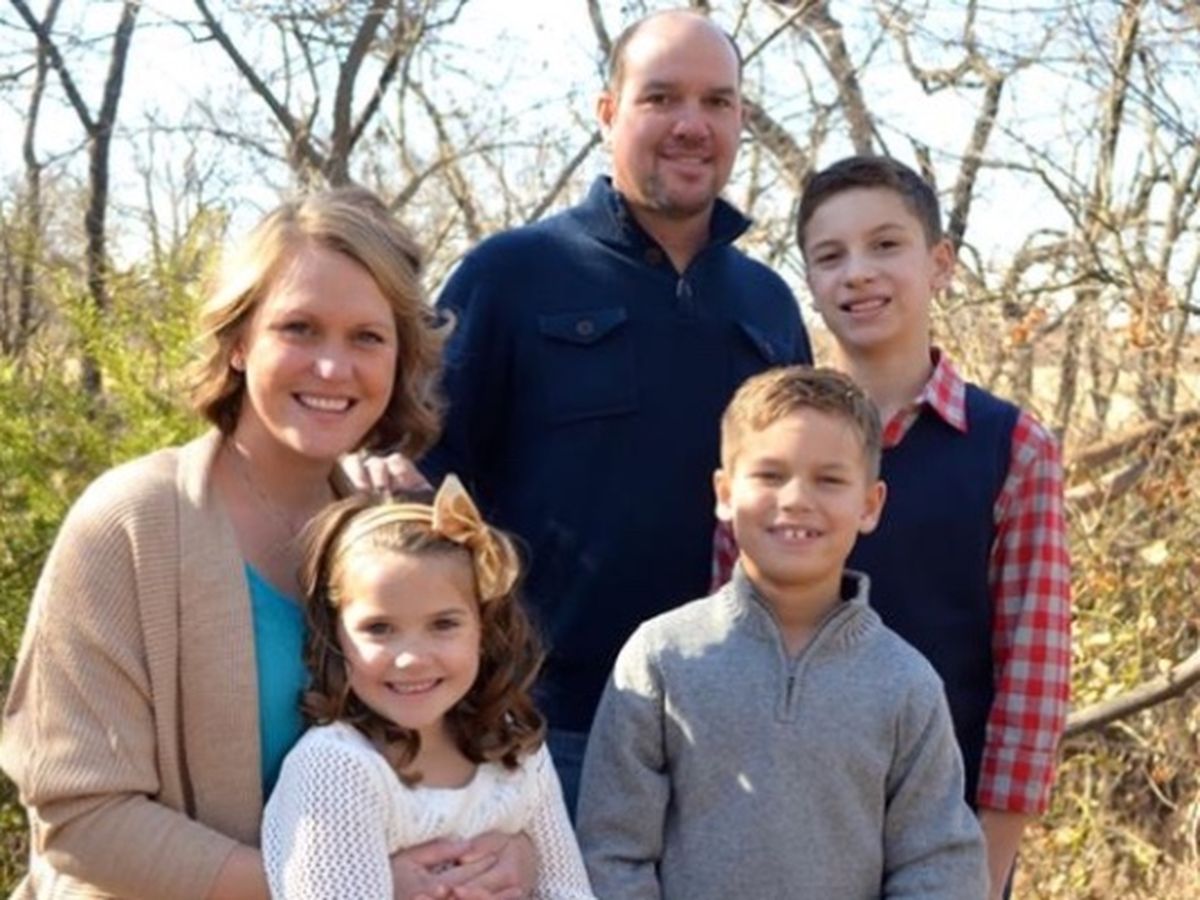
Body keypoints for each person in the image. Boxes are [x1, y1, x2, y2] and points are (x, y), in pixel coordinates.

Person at [0, 188, 532, 899]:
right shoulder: (131, 523)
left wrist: (518, 852)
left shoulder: (396, 532)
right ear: (240, 342)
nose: (333, 368)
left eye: (367, 337)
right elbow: (82, 821)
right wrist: (345, 887)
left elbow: (472, 753)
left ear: (402, 357)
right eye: (299, 328)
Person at [403, 8, 813, 811]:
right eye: (661, 97)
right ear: (607, 112)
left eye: (717, 101)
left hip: (735, 737)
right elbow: (420, 500)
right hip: (544, 734)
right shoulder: (511, 274)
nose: (692, 124)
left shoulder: (767, 303)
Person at [712, 155, 1072, 898]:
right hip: (775, 840)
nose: (857, 273)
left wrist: (982, 871)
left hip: (941, 845)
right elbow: (722, 648)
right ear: (809, 280)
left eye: (885, 245)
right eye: (830, 255)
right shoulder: (766, 440)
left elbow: (1032, 686)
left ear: (939, 263)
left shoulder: (1009, 446)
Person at [576, 366, 988, 899]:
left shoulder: (905, 684)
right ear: (725, 493)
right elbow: (612, 849)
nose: (795, 499)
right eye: (770, 475)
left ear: (869, 505)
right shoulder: (661, 659)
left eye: (829, 480)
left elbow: (940, 866)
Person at [262, 477, 594, 900]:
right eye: (379, 628)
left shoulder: (515, 745)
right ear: (336, 635)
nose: (412, 658)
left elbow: (569, 890)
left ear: (483, 628)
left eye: (443, 624)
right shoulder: (337, 767)